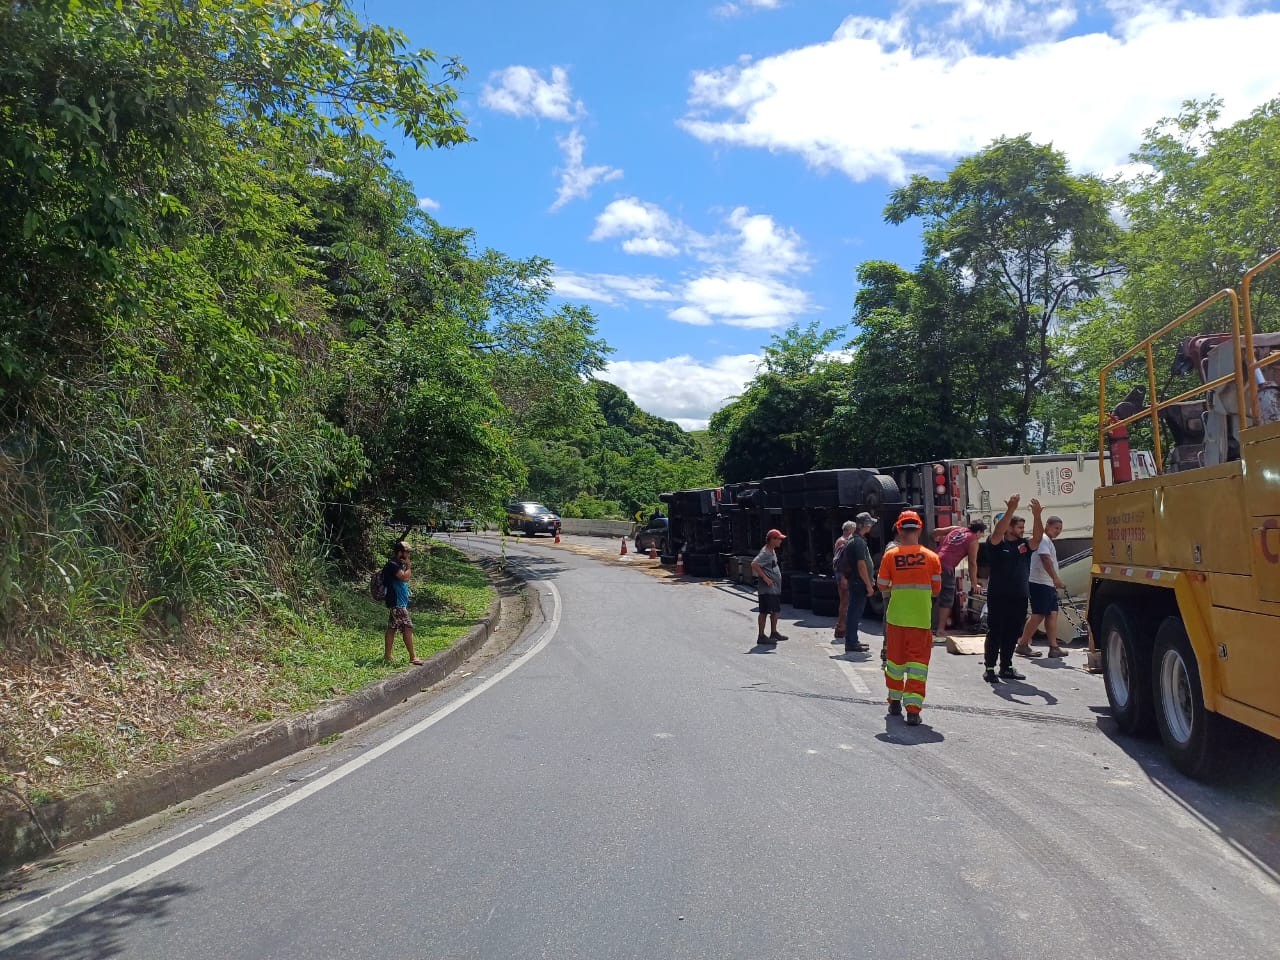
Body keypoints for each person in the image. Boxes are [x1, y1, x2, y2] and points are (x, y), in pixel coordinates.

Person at [877, 511, 942, 726]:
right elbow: (936, 589)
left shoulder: (890, 556)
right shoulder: (932, 558)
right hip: (921, 621)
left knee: (895, 663)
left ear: (898, 529)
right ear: (920, 529)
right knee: (918, 666)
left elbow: (882, 585)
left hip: (896, 619)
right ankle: (913, 711)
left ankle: (894, 701)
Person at [983, 495, 1045, 683]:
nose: (1022, 530)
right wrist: (1010, 510)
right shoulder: (997, 544)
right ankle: (990, 668)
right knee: (996, 631)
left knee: (1012, 632)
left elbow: (1038, 538)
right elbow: (997, 533)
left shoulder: (1024, 545)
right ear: (1009, 528)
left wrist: (1037, 515)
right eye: (1018, 527)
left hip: (1019, 596)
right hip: (998, 595)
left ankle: (1007, 667)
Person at [1017, 514, 1068, 658]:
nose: (1058, 531)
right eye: (1055, 528)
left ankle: (1054, 647)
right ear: (1047, 526)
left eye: (1060, 529)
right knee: (1038, 614)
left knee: (1052, 614)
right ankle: (1023, 644)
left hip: (1047, 583)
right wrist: (1056, 578)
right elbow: (1045, 559)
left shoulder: (1048, 541)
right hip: (1039, 582)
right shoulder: (1043, 539)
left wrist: (1053, 581)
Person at [931, 520, 986, 641]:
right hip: (946, 566)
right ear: (978, 532)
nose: (981, 537)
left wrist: (935, 538)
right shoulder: (973, 540)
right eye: (982, 534)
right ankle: (940, 630)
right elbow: (972, 563)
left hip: (933, 561)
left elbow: (936, 532)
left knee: (931, 595)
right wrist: (974, 583)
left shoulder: (957, 529)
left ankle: (925, 628)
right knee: (947, 598)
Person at [836, 513, 876, 654]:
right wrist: (868, 584)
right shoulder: (858, 542)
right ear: (865, 525)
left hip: (857, 582)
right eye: (869, 523)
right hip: (859, 583)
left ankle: (853, 640)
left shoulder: (855, 540)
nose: (871, 526)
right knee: (854, 612)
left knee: (854, 612)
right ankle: (852, 642)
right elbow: (861, 565)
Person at [382, 541, 423, 666]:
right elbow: (405, 577)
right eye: (407, 552)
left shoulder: (397, 564)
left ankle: (388, 656)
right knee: (407, 627)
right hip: (396, 602)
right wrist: (409, 566)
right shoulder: (393, 565)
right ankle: (413, 656)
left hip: (398, 602)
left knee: (392, 628)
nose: (408, 555)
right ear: (400, 552)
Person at [751, 529, 789, 646]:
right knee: (764, 612)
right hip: (767, 590)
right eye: (779, 539)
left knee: (775, 611)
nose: (781, 542)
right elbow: (754, 564)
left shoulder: (771, 551)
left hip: (774, 588)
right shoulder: (765, 553)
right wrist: (766, 578)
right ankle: (761, 636)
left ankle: (773, 632)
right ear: (772, 540)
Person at [832, 520, 855, 641]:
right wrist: (843, 577)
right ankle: (841, 628)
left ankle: (842, 627)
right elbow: (840, 561)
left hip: (842, 576)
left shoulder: (842, 541)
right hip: (843, 576)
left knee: (845, 602)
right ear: (849, 530)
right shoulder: (842, 542)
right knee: (845, 602)